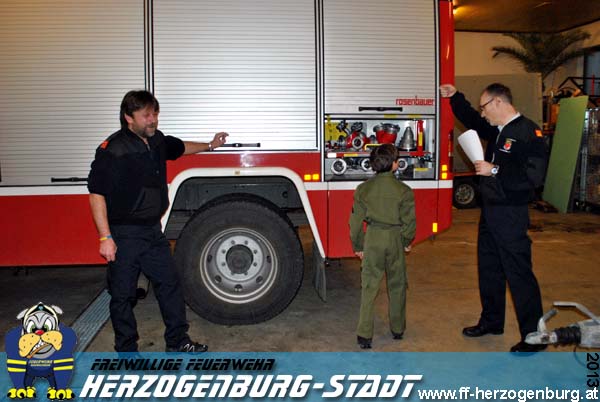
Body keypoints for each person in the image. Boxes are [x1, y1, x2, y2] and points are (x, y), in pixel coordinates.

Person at [88, 89, 228, 353]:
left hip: (152, 232)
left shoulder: (156, 140)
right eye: (146, 115)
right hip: (124, 234)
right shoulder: (113, 149)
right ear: (129, 117)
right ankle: (127, 351)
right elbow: (97, 194)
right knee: (123, 295)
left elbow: (180, 147)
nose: (153, 120)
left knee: (170, 284)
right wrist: (105, 237)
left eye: (155, 114)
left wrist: (210, 145)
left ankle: (177, 341)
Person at [439, 83, 547, 353]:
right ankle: (492, 321)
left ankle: (535, 336)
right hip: (490, 211)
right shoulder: (498, 130)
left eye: (484, 107)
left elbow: (534, 177)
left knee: (519, 274)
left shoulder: (528, 132)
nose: (483, 113)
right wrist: (455, 97)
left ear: (498, 102)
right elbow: (473, 121)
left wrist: (495, 170)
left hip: (511, 212)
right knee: (489, 270)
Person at [349, 144, 416, 349]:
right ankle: (397, 329)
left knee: (369, 286)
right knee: (397, 285)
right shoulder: (404, 191)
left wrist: (358, 245)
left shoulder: (363, 189)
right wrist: (406, 242)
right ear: (395, 164)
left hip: (373, 238)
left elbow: (355, 223)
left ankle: (364, 334)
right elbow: (410, 222)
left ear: (373, 164)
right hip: (394, 238)